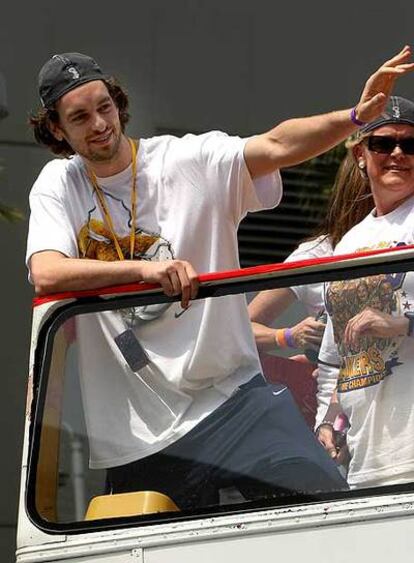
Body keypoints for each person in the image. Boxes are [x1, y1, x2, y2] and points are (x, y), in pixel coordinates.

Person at [26, 49, 413, 511]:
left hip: (233, 401)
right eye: (80, 116)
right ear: (55, 128)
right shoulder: (60, 183)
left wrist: (354, 117)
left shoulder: (186, 160)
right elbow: (46, 270)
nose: (100, 124)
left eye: (105, 106)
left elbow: (275, 145)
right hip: (137, 433)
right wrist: (144, 270)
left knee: (329, 511)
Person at [316, 95, 414, 489]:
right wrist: (328, 421)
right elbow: (334, 357)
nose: (397, 153)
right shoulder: (349, 244)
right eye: (383, 143)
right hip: (366, 459)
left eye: (411, 145)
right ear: (361, 154)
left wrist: (401, 324)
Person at [248, 156, 374, 356]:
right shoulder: (317, 254)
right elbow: (243, 329)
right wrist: (288, 336)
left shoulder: (405, 245)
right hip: (339, 383)